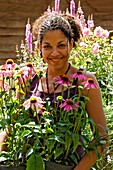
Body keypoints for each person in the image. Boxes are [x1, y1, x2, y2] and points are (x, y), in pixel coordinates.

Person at [0, 12, 108, 170]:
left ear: (71, 44)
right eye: (47, 47)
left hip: (69, 166)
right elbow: (10, 129)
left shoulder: (84, 81)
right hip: (29, 164)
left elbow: (101, 138)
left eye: (61, 45)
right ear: (39, 48)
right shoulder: (29, 79)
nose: (55, 52)